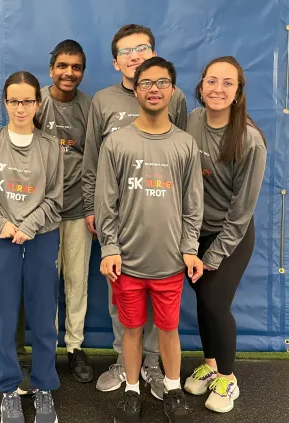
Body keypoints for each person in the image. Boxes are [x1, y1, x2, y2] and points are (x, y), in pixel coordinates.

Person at [82, 23, 188, 397]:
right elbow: (92, 159)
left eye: (142, 48)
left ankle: (153, 365)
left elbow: (183, 157)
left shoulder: (174, 99)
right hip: (118, 222)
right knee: (121, 295)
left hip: (162, 225)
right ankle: (123, 361)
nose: (135, 56)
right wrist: (92, 207)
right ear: (116, 62)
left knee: (162, 299)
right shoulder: (102, 101)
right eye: (127, 51)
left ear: (154, 54)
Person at [95, 57, 203, 423]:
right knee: (131, 330)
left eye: (161, 83)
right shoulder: (117, 142)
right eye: (146, 83)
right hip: (127, 261)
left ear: (172, 90)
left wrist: (190, 247)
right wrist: (109, 247)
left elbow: (193, 202)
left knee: (169, 330)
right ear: (136, 89)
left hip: (170, 262)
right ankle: (131, 390)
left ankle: (173, 390)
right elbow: (105, 201)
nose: (154, 89)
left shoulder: (185, 144)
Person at [0, 71, 64, 423]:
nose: (21, 108)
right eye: (14, 101)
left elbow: (55, 199)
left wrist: (28, 226)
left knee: (43, 319)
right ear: (5, 103)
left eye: (28, 101)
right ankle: (9, 389)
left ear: (37, 104)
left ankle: (43, 389)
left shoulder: (50, 147)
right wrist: (3, 224)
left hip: (40, 237)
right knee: (3, 318)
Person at [183, 56, 267, 414]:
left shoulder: (250, 140)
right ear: (201, 86)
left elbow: (241, 211)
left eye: (227, 83)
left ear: (238, 91)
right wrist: (189, 244)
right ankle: (211, 363)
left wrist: (212, 255)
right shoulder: (191, 121)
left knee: (216, 302)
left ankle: (227, 378)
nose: (218, 89)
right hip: (195, 233)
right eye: (212, 81)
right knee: (203, 302)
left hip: (230, 235)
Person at [14, 39, 94, 390]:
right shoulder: (36, 103)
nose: (69, 73)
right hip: (39, 213)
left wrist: (93, 207)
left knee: (76, 282)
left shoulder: (90, 107)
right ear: (51, 69)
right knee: (45, 285)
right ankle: (47, 348)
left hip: (77, 210)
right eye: (63, 66)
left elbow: (94, 161)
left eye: (76, 67)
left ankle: (74, 347)